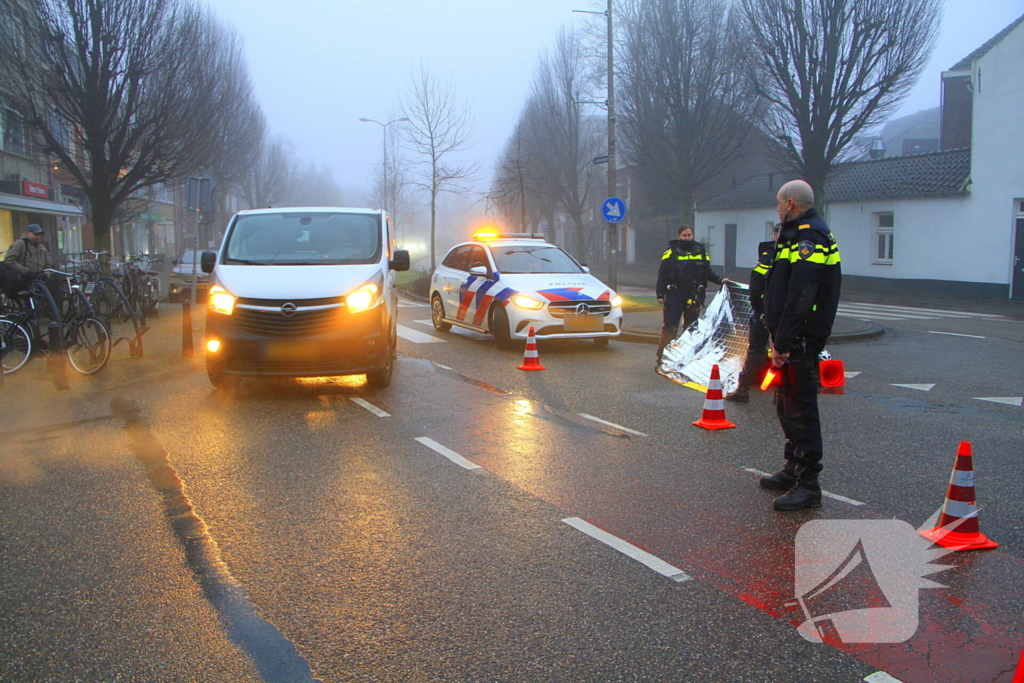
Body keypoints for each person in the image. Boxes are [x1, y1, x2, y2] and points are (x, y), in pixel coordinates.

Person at [759, 180, 841, 511]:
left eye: (779, 203)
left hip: (800, 338)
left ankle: (809, 484)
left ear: (791, 203)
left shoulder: (811, 236)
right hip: (791, 334)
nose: (777, 208)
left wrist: (785, 340)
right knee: (785, 406)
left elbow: (802, 294)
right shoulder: (797, 233)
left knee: (801, 409)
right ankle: (792, 467)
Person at [655, 225, 728, 362]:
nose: (687, 238)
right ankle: (663, 357)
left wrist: (720, 280)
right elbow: (663, 274)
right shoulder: (670, 252)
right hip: (675, 293)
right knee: (670, 326)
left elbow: (707, 271)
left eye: (689, 235)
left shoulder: (700, 251)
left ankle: (686, 358)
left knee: (691, 329)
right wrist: (660, 294)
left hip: (694, 294)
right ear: (679, 236)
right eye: (684, 235)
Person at [725, 224, 780, 403]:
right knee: (781, 350)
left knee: (756, 349)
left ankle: (743, 389)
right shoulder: (792, 255)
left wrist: (757, 307)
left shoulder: (768, 256)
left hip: (765, 311)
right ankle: (781, 393)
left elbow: (756, 284)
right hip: (779, 311)